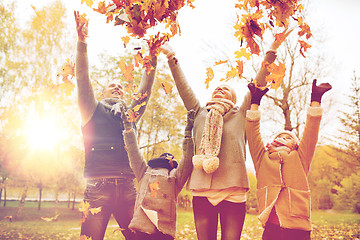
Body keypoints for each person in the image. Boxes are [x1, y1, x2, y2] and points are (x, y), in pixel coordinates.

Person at [160, 30, 291, 240]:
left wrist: (272, 51)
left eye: (225, 88)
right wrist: (171, 57)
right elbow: (183, 87)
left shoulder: (240, 113)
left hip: (233, 190)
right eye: (217, 88)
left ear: (234, 97)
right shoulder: (199, 112)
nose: (220, 89)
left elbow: (258, 83)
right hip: (203, 189)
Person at [74, 11, 157, 240]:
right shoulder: (92, 109)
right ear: (101, 93)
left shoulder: (129, 115)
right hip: (97, 188)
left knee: (141, 237)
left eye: (121, 86)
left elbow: (144, 94)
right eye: (112, 86)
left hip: (129, 188)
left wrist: (152, 58)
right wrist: (82, 43)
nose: (118, 87)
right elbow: (82, 77)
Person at [245, 79, 332, 240]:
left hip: (298, 225)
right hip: (271, 225)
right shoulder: (262, 158)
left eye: (288, 137)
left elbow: (311, 131)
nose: (284, 138)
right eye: (280, 136)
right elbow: (252, 133)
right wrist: (255, 102)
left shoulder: (300, 157)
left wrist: (315, 101)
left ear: (295, 144)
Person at [121, 109, 195, 240]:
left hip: (164, 228)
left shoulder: (175, 176)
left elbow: (188, 159)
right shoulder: (144, 171)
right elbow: (133, 152)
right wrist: (128, 128)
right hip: (142, 225)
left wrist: (189, 133)